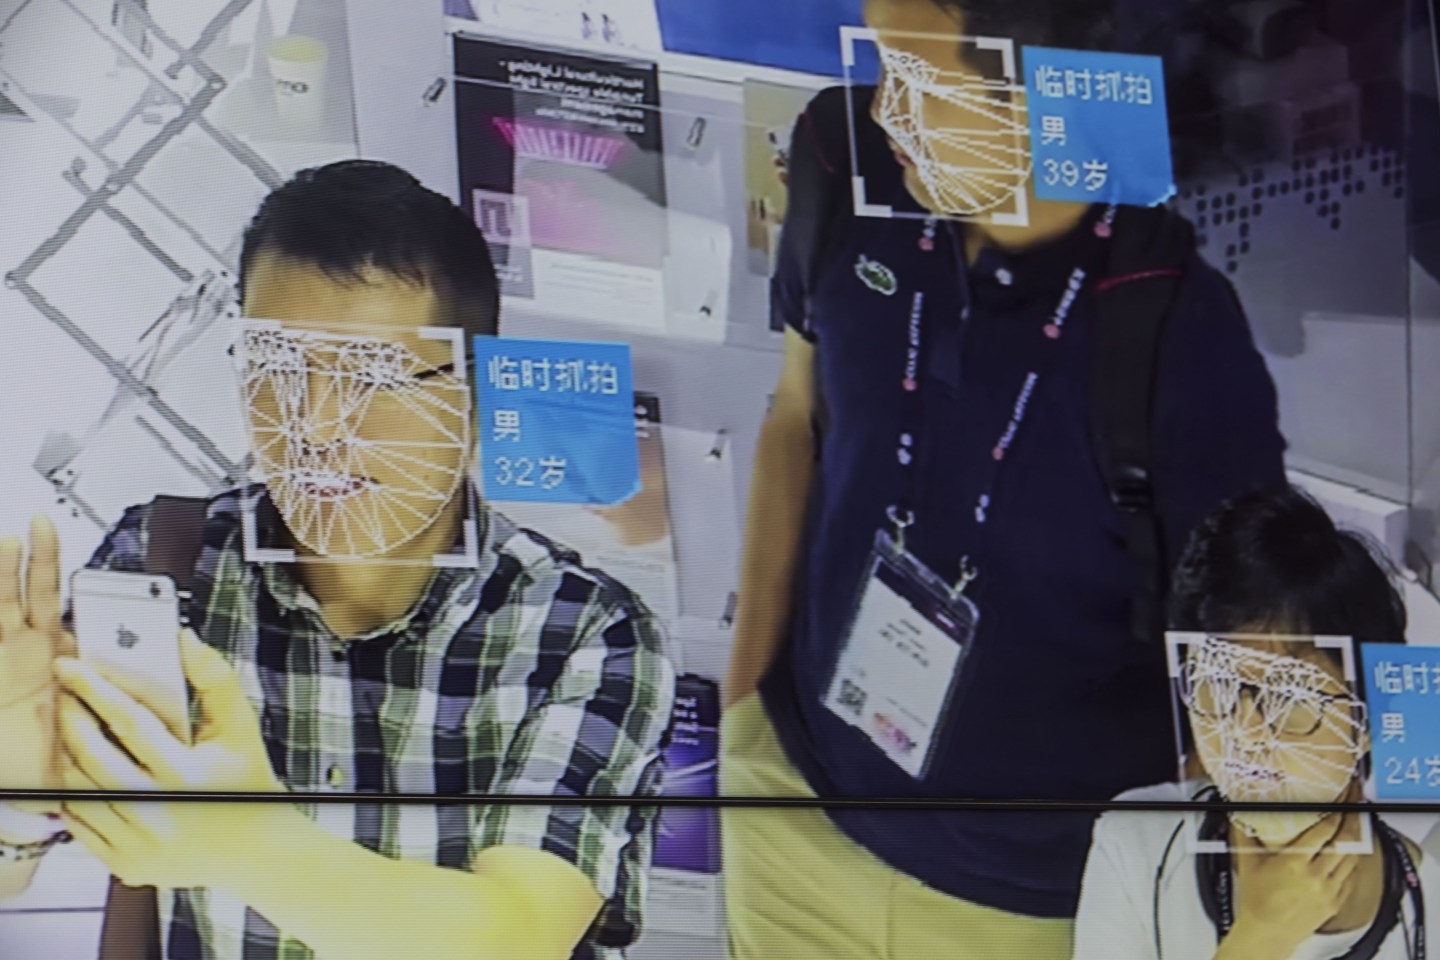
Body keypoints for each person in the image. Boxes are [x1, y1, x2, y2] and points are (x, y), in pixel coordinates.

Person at [720, 0, 1287, 957]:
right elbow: (794, 415)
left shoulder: (1174, 327)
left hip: (1031, 901)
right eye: (884, 66)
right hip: (796, 807)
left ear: (1042, 98)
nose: (887, 112)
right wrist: (744, 707)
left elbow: (1237, 650)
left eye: (922, 83)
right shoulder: (841, 158)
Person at [0, 160, 676, 960]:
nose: (315, 425)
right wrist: (17, 800)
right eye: (279, 369)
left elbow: (519, 934)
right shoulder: (163, 566)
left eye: (375, 377)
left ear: (477, 396)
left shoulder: (582, 632)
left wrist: (243, 845)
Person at [1073, 487, 1433, 960]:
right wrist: (1260, 939)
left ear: (1369, 717)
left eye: (1287, 697)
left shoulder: (1430, 898)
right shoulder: (1137, 842)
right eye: (1218, 691)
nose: (1244, 736)